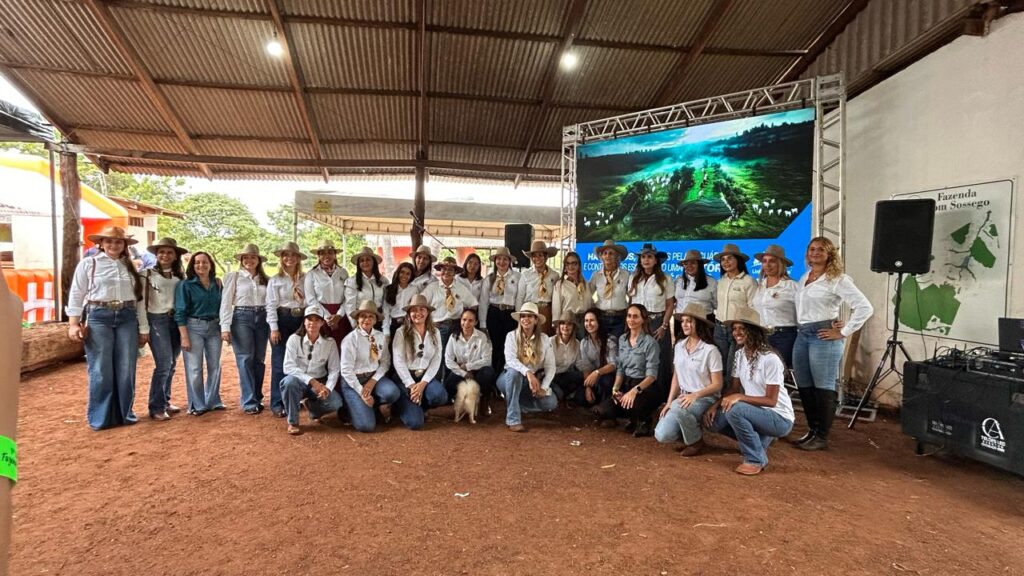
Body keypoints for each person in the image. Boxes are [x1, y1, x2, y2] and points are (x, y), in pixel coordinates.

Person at [792, 236, 874, 451]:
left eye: (820, 249)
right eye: (811, 249)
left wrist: (843, 332)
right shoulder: (804, 277)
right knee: (805, 386)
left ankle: (821, 435)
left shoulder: (838, 279)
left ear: (830, 254)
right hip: (803, 334)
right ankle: (812, 429)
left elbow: (865, 307)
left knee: (823, 387)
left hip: (823, 336)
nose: (815, 253)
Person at [66, 226, 146, 430]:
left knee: (126, 367)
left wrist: (143, 327)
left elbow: (139, 299)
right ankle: (101, 417)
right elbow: (76, 293)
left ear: (124, 245)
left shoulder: (131, 266)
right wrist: (73, 323)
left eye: (118, 241)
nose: (113, 245)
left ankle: (124, 414)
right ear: (100, 243)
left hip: (127, 316)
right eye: (109, 241)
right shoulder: (89, 264)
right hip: (98, 316)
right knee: (101, 368)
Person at [703, 308, 795, 475]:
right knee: (714, 421)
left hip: (779, 417)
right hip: (757, 412)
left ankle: (755, 458)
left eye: (741, 329)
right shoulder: (740, 355)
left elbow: (771, 401)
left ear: (753, 331)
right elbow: (734, 389)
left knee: (735, 411)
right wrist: (715, 405)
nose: (736, 332)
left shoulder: (770, 359)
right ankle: (759, 440)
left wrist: (739, 397)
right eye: (734, 329)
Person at [654, 303, 723, 456]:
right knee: (662, 435)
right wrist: (669, 402)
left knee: (679, 407)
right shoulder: (679, 346)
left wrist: (695, 395)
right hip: (684, 397)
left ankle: (696, 443)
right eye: (683, 321)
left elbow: (718, 384)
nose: (684, 324)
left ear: (698, 324)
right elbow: (676, 376)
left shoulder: (711, 350)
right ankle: (691, 434)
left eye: (689, 321)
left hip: (705, 397)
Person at [139, 237, 188, 421]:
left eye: (169, 252)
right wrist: (143, 327)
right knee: (164, 363)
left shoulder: (180, 277)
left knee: (172, 363)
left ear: (175, 256)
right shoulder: (147, 274)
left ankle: (165, 400)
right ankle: (156, 406)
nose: (165, 255)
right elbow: (141, 303)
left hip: (175, 320)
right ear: (156, 254)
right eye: (161, 252)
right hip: (156, 319)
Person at [595, 303, 661, 436]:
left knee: (634, 404)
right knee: (603, 410)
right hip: (627, 383)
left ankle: (645, 421)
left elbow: (652, 375)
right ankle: (633, 419)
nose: (631, 320)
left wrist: (634, 391)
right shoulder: (622, 340)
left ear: (643, 319)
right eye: (629, 316)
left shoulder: (651, 343)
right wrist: (616, 389)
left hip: (645, 386)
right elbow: (620, 368)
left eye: (636, 317)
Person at [220, 243, 270, 415]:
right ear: (241, 260)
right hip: (241, 316)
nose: (249, 260)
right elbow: (226, 302)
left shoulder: (265, 279)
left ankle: (257, 396)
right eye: (246, 257)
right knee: (245, 358)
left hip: (262, 317)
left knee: (259, 359)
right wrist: (225, 326)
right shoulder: (234, 276)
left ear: (258, 260)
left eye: (253, 257)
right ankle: (249, 401)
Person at [280, 305, 344, 436]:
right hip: (299, 381)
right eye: (309, 319)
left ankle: (313, 408)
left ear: (322, 322)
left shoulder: (329, 343)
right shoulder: (294, 340)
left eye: (317, 320)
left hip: (319, 383)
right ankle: (293, 421)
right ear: (304, 321)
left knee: (335, 403)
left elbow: (334, 369)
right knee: (288, 383)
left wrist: (328, 388)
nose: (312, 323)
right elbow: (288, 367)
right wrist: (311, 381)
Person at [339, 300, 401, 433]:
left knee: (392, 393)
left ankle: (372, 405)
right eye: (363, 316)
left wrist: (373, 381)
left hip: (373, 377)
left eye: (370, 316)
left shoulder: (379, 337)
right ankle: (350, 407)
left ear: (375, 320)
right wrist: (362, 392)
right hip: (353, 381)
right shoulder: (350, 340)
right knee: (366, 426)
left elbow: (385, 362)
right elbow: (346, 370)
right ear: (357, 319)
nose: (366, 319)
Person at [174, 251, 225, 415]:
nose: (201, 265)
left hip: (214, 327)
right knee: (195, 368)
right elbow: (180, 312)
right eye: (197, 263)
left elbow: (223, 307)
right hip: (193, 326)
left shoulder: (217, 283)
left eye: (205, 262)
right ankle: (197, 404)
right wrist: (184, 337)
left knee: (215, 366)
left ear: (210, 265)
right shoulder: (185, 285)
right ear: (192, 265)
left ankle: (213, 401)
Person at [496, 302, 558, 432]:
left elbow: (550, 367)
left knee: (551, 403)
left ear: (536, 320)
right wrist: (528, 373)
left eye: (530, 316)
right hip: (509, 377)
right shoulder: (511, 336)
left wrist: (544, 387)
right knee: (514, 373)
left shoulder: (544, 339)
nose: (526, 319)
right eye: (523, 316)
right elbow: (511, 360)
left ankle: (516, 404)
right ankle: (513, 419)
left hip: (531, 381)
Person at [391, 294, 449, 429]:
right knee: (415, 423)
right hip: (405, 379)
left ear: (428, 312)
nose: (418, 313)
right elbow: (398, 361)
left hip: (424, 377)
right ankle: (401, 404)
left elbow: (437, 359)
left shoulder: (435, 332)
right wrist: (411, 385)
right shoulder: (401, 332)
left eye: (422, 309)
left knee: (440, 396)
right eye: (414, 310)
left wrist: (423, 383)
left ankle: (420, 404)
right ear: (409, 314)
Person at [266, 241, 308, 418]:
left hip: (301, 319)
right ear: (281, 258)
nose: (289, 258)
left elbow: (310, 299)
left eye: (292, 255)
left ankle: (294, 398)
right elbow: (270, 305)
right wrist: (274, 328)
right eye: (285, 255)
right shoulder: (275, 280)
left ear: (298, 258)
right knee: (279, 361)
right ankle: (277, 402)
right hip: (283, 319)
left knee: (299, 359)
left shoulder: (306, 278)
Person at [628, 243, 674, 393]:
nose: (646, 260)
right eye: (643, 257)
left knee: (660, 359)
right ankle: (641, 392)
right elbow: (630, 303)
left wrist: (664, 326)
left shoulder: (665, 278)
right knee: (640, 358)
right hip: (639, 323)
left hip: (657, 322)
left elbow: (670, 305)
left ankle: (661, 395)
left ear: (656, 260)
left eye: (649, 257)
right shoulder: (634, 278)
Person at [421, 256, 478, 370]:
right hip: (438, 326)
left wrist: (464, 319)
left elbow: (473, 304)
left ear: (455, 272)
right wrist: (428, 322)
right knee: (438, 356)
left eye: (450, 270)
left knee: (453, 356)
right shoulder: (432, 288)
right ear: (440, 271)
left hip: (456, 326)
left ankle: (449, 384)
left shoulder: (460, 288)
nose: (447, 272)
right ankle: (437, 383)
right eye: (444, 269)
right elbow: (421, 305)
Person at [713, 243, 757, 384]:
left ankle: (733, 396)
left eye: (730, 258)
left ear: (738, 260)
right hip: (719, 328)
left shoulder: (748, 281)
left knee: (734, 366)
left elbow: (752, 308)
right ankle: (720, 396)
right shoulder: (720, 281)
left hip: (738, 329)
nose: (726, 262)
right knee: (719, 364)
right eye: (723, 259)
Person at [443, 308, 496, 419]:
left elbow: (487, 360)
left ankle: (484, 401)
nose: (466, 323)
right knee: (450, 382)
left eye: (470, 320)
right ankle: (458, 402)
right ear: (460, 320)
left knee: (488, 372)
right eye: (464, 319)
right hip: (461, 372)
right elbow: (448, 360)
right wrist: (464, 373)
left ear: (476, 322)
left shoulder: (482, 337)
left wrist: (468, 366)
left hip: (478, 372)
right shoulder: (453, 337)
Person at [752, 244, 798, 368]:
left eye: (772, 261)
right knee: (762, 373)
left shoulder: (792, 286)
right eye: (764, 261)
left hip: (784, 336)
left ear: (781, 264)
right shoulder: (760, 286)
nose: (767, 265)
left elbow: (806, 311)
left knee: (781, 374)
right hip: (761, 336)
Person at [479, 247, 520, 374]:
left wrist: (518, 319)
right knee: (495, 347)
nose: (501, 262)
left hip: (510, 314)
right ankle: (494, 379)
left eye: (505, 259)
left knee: (508, 347)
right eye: (499, 259)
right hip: (494, 313)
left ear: (509, 261)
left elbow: (519, 298)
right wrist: (483, 323)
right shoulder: (489, 278)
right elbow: (484, 301)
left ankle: (505, 377)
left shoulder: (517, 277)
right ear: (495, 261)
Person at [304, 240, 350, 349]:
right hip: (320, 315)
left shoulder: (343, 272)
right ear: (318, 256)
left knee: (342, 346)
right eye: (322, 253)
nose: (326, 256)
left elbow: (348, 296)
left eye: (330, 252)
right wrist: (327, 317)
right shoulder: (312, 274)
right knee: (323, 347)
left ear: (335, 255)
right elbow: (311, 299)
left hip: (341, 315)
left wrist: (339, 315)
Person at [576, 308, 617, 409]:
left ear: (599, 321)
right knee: (580, 398)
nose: (589, 324)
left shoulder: (609, 340)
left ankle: (606, 408)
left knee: (606, 381)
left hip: (608, 376)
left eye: (592, 320)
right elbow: (586, 367)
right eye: (586, 321)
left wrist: (597, 373)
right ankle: (596, 405)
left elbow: (613, 364)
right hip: (594, 378)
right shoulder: (584, 342)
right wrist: (588, 387)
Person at [588, 240, 630, 339]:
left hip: (620, 318)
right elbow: (587, 293)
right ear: (601, 257)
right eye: (605, 253)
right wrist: (593, 305)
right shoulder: (596, 275)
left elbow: (632, 296)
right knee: (601, 347)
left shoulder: (626, 275)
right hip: (601, 317)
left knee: (617, 347)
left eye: (611, 253)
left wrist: (629, 314)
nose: (608, 256)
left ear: (617, 256)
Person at [516, 240, 559, 336]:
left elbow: (557, 299)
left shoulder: (554, 275)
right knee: (531, 339)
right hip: (530, 311)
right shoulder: (526, 275)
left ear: (546, 257)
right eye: (534, 256)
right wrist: (520, 318)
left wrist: (556, 319)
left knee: (546, 340)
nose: (537, 258)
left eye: (540, 255)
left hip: (547, 311)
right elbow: (519, 298)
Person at [672, 249, 717, 333]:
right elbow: (672, 300)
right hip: (681, 321)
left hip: (703, 321)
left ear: (699, 264)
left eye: (693, 263)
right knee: (680, 345)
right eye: (686, 264)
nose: (689, 266)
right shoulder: (678, 281)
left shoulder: (711, 282)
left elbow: (716, 304)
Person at [344, 247, 388, 328]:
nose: (365, 262)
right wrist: (355, 325)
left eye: (368, 259)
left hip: (377, 320)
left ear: (373, 262)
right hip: (360, 321)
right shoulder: (352, 281)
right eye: (362, 260)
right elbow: (350, 306)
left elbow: (385, 304)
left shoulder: (383, 281)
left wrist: (385, 325)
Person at [551, 250, 591, 338]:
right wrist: (557, 327)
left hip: (584, 322)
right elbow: (556, 309)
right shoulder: (560, 285)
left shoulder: (585, 284)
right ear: (565, 267)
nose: (571, 266)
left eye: (574, 263)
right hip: (568, 322)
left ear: (579, 265)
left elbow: (589, 304)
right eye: (568, 263)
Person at [550, 311, 582, 406]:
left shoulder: (577, 344)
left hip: (565, 376)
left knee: (580, 376)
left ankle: (566, 395)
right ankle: (561, 395)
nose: (565, 327)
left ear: (573, 327)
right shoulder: (550, 342)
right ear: (559, 326)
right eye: (562, 323)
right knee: (559, 394)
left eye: (569, 324)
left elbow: (580, 364)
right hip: (550, 377)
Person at [382, 261, 418, 340]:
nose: (404, 275)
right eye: (402, 272)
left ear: (411, 276)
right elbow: (386, 311)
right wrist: (386, 331)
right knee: (394, 351)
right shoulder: (389, 289)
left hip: (409, 325)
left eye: (408, 274)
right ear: (398, 273)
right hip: (394, 325)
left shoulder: (414, 289)